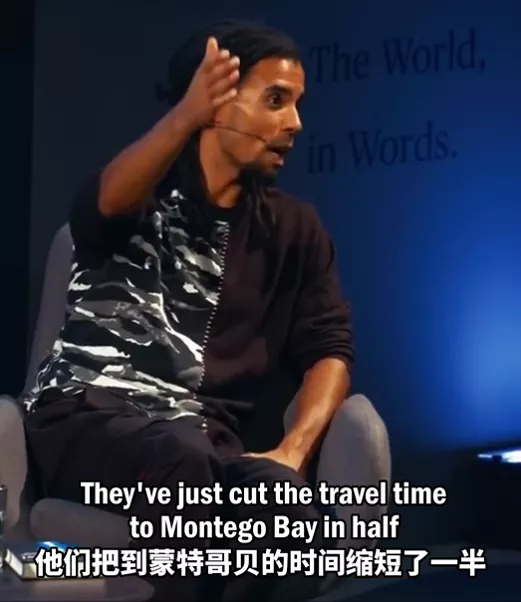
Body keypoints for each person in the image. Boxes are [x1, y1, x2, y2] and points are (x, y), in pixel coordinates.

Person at [23, 19, 355, 602]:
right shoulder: (141, 192)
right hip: (88, 418)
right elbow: (102, 206)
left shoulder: (293, 230)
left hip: (201, 440)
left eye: (298, 104)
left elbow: (329, 348)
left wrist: (293, 451)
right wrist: (185, 117)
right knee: (186, 471)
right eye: (275, 101)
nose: (295, 123)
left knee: (283, 508)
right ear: (216, 105)